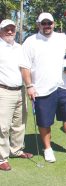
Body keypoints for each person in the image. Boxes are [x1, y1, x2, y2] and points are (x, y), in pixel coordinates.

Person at [20, 12, 66, 163]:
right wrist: (29, 86)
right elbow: (24, 67)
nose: (47, 26)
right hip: (42, 89)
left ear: (54, 24)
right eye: (44, 23)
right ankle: (48, 149)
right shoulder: (30, 42)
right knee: (44, 122)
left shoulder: (62, 38)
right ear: (38, 24)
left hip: (64, 86)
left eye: (49, 23)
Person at [0, 19, 33, 171]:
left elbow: (25, 68)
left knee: (19, 124)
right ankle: (1, 158)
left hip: (21, 90)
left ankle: (16, 150)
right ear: (1, 30)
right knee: (3, 126)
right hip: (3, 91)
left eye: (12, 29)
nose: (10, 31)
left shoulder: (20, 47)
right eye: (6, 29)